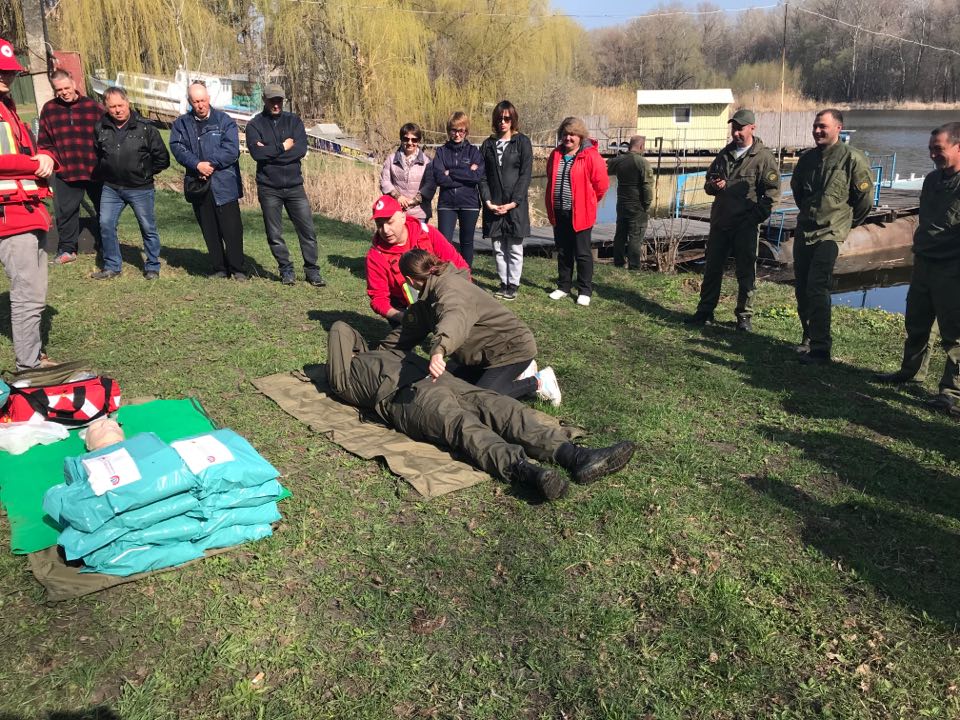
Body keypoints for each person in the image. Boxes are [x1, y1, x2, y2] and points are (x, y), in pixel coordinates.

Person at [327, 320, 637, 501]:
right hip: (407, 399)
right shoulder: (346, 379)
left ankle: (575, 457)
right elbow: (340, 330)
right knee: (464, 427)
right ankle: (525, 471)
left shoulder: (385, 352)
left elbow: (405, 330)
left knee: (499, 406)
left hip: (443, 380)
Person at [381, 248, 562, 405]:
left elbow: (454, 318)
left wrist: (439, 351)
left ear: (409, 279)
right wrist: (376, 354)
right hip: (481, 354)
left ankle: (538, 382)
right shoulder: (425, 299)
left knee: (476, 401)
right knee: (445, 384)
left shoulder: (450, 290)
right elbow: (407, 332)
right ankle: (513, 376)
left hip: (511, 349)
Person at [874, 122, 960, 416]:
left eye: (939, 149)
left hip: (953, 268)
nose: (933, 155)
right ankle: (911, 372)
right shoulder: (933, 180)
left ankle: (950, 392)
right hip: (924, 263)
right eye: (930, 149)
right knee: (917, 323)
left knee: (955, 334)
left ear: (958, 147)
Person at [686, 109, 781, 332]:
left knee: (746, 272)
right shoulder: (724, 154)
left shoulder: (763, 157)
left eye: (740, 128)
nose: (736, 133)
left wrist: (754, 219)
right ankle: (705, 312)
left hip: (745, 226)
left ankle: (744, 316)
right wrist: (713, 185)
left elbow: (772, 194)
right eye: (733, 128)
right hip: (720, 222)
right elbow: (709, 184)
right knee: (712, 269)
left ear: (752, 128)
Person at [790, 109, 873, 363]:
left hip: (830, 234)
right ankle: (808, 336)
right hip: (806, 230)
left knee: (817, 286)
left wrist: (844, 224)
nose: (817, 131)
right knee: (802, 289)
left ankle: (821, 348)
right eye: (815, 126)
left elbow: (864, 201)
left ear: (838, 128)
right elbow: (798, 192)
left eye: (823, 126)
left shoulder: (852, 159)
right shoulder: (807, 160)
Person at [0, 37, 57, 371]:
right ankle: (29, 367)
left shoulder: (9, 110)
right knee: (27, 295)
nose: (6, 77)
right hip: (9, 217)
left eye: (10, 72)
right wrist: (35, 163)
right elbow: (18, 159)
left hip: (30, 212)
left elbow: (30, 149)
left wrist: (46, 156)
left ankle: (34, 356)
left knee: (35, 294)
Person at [245, 84, 325, 287]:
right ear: (264, 100)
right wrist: (282, 147)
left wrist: (271, 152)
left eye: (279, 100)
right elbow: (257, 154)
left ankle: (312, 270)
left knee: (307, 230)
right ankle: (286, 270)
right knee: (274, 233)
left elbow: (299, 150)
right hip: (268, 187)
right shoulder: (255, 125)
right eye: (272, 100)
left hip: (295, 186)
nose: (276, 104)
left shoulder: (294, 121)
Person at [91, 87, 170, 280]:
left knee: (147, 227)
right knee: (106, 224)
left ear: (128, 103)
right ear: (106, 107)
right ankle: (112, 266)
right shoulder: (100, 127)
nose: (117, 110)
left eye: (120, 105)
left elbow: (163, 159)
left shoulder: (145, 128)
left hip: (140, 188)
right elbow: (97, 154)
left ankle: (152, 266)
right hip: (111, 187)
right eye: (112, 107)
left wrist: (145, 173)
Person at [170, 82, 246, 280]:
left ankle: (237, 269)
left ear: (209, 99)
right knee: (209, 228)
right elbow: (178, 148)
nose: (200, 105)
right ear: (190, 102)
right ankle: (219, 268)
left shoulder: (224, 120)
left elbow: (231, 150)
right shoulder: (181, 124)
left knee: (232, 230)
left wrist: (209, 165)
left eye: (203, 100)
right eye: (196, 101)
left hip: (224, 183)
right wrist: (196, 165)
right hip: (199, 185)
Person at [366, 194, 468, 324]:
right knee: (401, 341)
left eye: (390, 222)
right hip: (404, 308)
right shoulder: (375, 255)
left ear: (403, 217)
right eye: (379, 225)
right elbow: (378, 298)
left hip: (442, 295)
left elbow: (459, 264)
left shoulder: (427, 233)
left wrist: (466, 294)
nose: (385, 230)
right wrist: (402, 317)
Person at [37, 69, 103, 266]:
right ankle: (67, 249)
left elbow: (105, 138)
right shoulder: (49, 109)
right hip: (66, 171)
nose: (64, 92)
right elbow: (44, 142)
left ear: (74, 83)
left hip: (94, 170)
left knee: (105, 210)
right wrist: (50, 160)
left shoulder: (93, 107)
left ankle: (106, 244)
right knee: (66, 212)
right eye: (59, 90)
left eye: (66, 87)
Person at [545, 116, 609, 307]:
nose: (568, 138)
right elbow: (550, 177)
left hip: (580, 213)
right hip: (559, 210)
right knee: (563, 251)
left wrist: (588, 201)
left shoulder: (590, 156)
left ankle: (584, 290)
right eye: (565, 134)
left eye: (572, 134)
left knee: (582, 253)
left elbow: (602, 185)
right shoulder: (555, 155)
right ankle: (563, 286)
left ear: (580, 136)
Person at [478, 100, 533, 300]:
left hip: (515, 206)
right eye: (499, 118)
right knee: (498, 248)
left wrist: (514, 202)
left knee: (515, 248)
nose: (503, 122)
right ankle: (503, 283)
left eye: (507, 118)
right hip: (494, 205)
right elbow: (482, 177)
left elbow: (525, 175)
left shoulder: (522, 142)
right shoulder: (487, 145)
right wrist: (488, 201)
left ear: (513, 120)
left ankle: (514, 284)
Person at [430, 111, 484, 267]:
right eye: (454, 130)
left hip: (469, 203)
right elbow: (440, 178)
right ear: (449, 131)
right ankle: (446, 275)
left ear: (466, 131)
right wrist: (466, 173)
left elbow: (476, 177)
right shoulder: (441, 152)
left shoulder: (474, 152)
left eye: (461, 130)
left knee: (466, 242)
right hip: (447, 203)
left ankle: (467, 275)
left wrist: (451, 172)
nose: (457, 134)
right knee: (444, 242)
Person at [606, 134, 653, 272]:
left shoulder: (619, 160)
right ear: (641, 146)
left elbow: (605, 167)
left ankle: (618, 263)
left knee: (620, 234)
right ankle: (634, 267)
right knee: (635, 236)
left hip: (621, 204)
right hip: (637, 205)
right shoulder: (642, 162)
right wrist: (647, 204)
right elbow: (647, 186)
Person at [380, 122, 431, 221]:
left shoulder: (427, 162)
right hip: (396, 211)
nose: (410, 143)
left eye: (414, 139)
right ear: (401, 139)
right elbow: (384, 181)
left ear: (419, 141)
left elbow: (430, 185)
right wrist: (398, 197)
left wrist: (413, 201)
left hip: (419, 213)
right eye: (406, 139)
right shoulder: (391, 159)